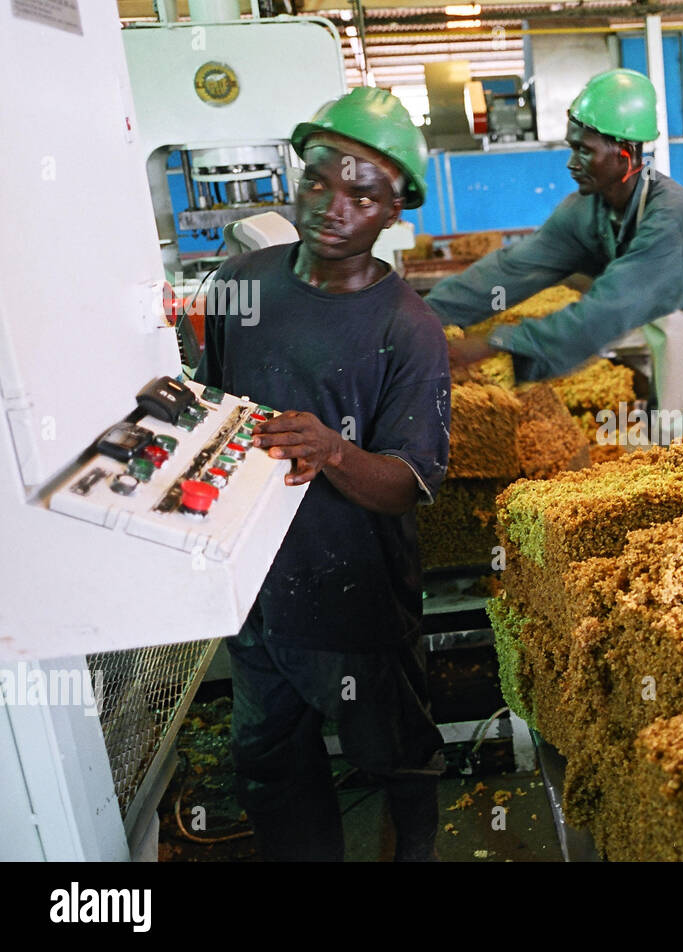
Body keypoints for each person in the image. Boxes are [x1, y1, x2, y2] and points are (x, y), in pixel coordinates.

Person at [195, 87, 451, 862]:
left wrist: (333, 450)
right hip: (257, 587)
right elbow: (212, 407)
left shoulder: (406, 328)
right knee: (270, 761)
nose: (333, 205)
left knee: (394, 752)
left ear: (394, 211)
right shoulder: (241, 284)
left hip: (355, 596)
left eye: (362, 193)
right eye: (319, 179)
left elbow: (408, 482)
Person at [428, 68, 683, 450]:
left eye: (585, 150)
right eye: (572, 147)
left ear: (627, 153)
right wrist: (424, 317)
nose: (571, 162)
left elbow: (608, 309)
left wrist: (496, 342)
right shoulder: (588, 210)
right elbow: (513, 269)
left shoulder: (668, 217)